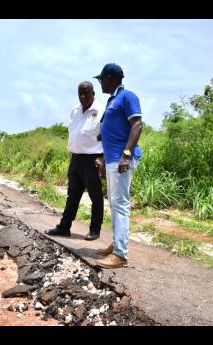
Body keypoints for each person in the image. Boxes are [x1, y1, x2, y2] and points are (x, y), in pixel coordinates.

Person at [93, 63, 143, 268]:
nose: (100, 83)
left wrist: (126, 155)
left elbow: (137, 124)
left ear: (111, 78)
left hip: (122, 159)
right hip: (112, 158)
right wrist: (104, 161)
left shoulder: (127, 96)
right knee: (114, 204)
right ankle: (116, 244)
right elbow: (108, 135)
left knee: (120, 205)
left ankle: (121, 255)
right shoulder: (112, 100)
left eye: (102, 79)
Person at [45, 81, 105, 241]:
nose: (83, 96)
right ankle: (64, 227)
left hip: (92, 159)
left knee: (95, 196)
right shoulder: (75, 111)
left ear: (93, 93)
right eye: (80, 93)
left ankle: (95, 229)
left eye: (86, 93)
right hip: (75, 158)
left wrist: (103, 158)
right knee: (72, 195)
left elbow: (107, 137)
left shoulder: (101, 111)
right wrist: (72, 156)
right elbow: (73, 134)